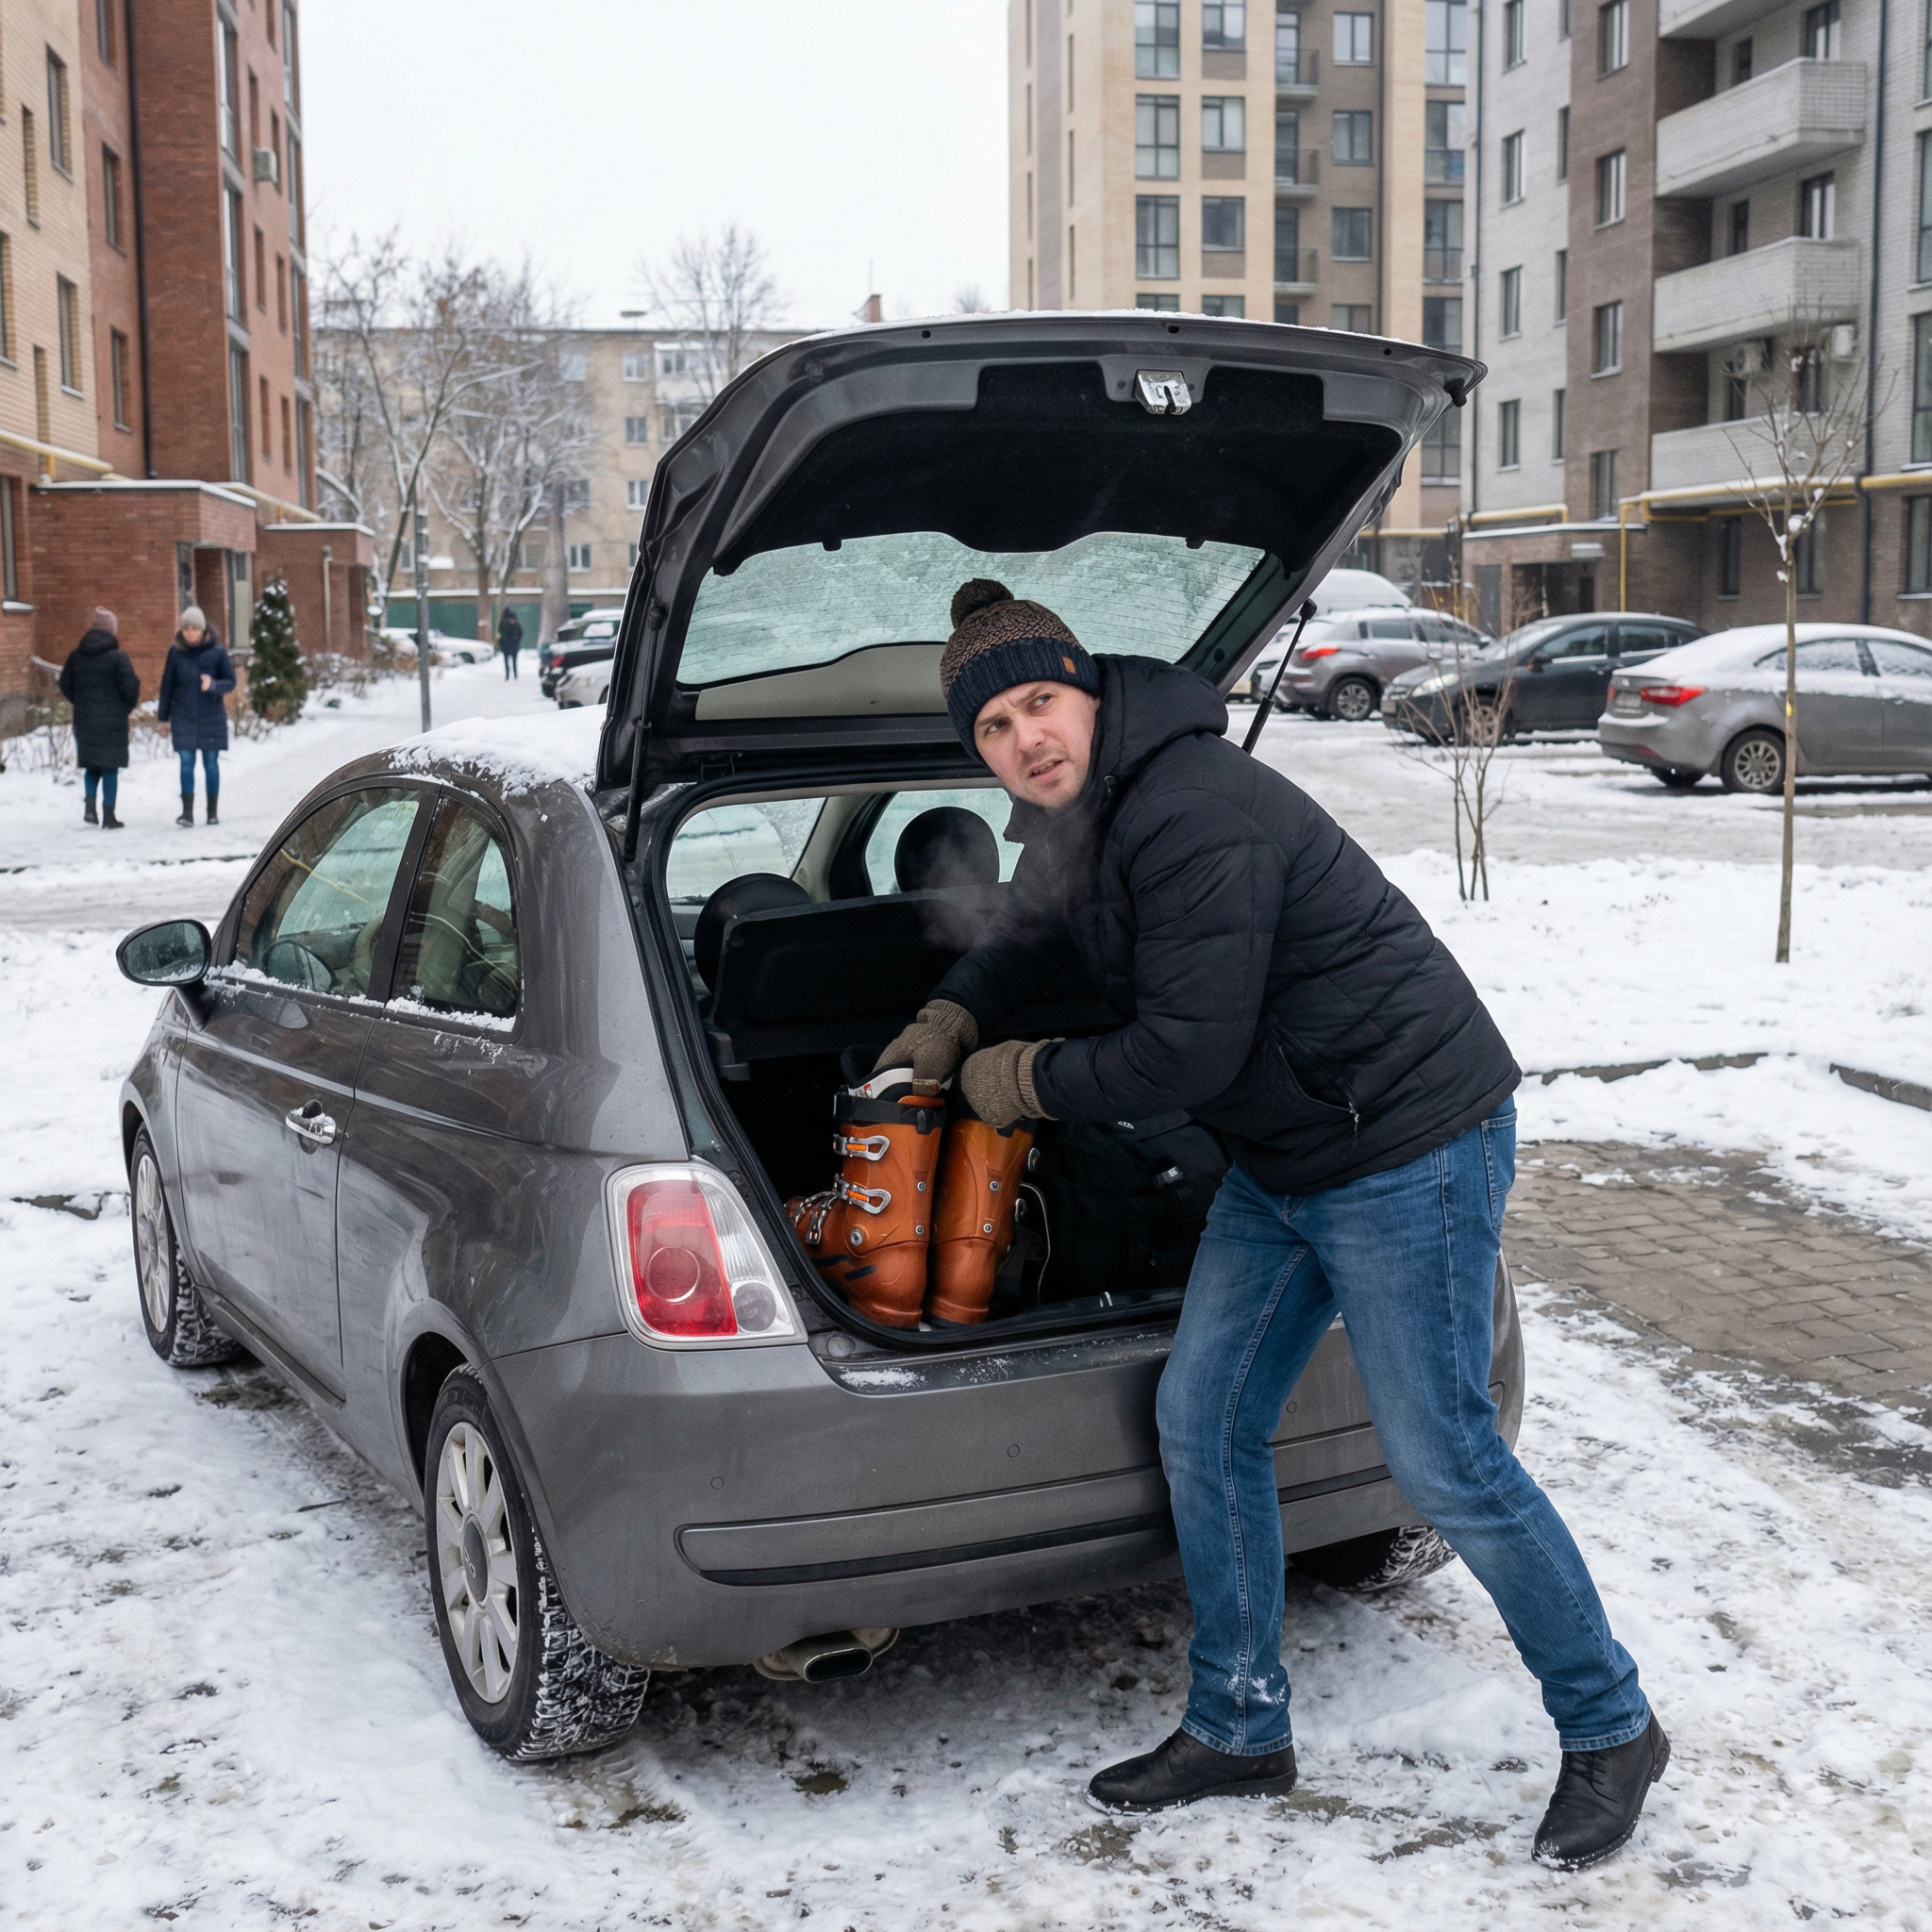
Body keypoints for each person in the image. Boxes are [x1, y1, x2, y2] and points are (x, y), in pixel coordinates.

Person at [877, 579, 1666, 1872]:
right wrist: (957, 1013)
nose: (1025, 738)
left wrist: (1016, 1078)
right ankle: (1241, 1724)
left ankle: (1612, 1723)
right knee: (1204, 1415)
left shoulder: (1191, 809)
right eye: (994, 727)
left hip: (1407, 1137)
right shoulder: (1082, 816)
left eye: (1039, 702)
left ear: (1087, 690)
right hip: (1293, 1146)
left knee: (1444, 1456)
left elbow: (1182, 1053)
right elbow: (1030, 940)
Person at [58, 607, 140, 829]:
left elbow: (65, 684)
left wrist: (81, 703)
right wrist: (124, 707)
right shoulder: (118, 659)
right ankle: (109, 815)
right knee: (110, 767)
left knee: (91, 766)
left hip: (84, 720)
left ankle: (90, 809)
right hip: (113, 721)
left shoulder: (76, 657)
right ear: (112, 631)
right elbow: (131, 687)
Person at [157, 606, 235, 828]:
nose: (190, 633)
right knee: (186, 763)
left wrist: (213, 685)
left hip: (211, 717)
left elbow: (230, 681)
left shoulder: (217, 652)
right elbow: (167, 687)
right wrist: (163, 718)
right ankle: (187, 813)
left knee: (211, 763)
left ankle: (212, 812)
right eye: (186, 629)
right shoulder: (175, 653)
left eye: (195, 629)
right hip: (183, 717)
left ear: (203, 630)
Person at [497, 605, 524, 679]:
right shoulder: (515, 624)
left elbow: (499, 633)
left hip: (509, 644)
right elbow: (520, 633)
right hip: (510, 644)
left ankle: (511, 675)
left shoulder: (503, 623)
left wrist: (500, 641)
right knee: (511, 661)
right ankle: (511, 675)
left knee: (510, 661)